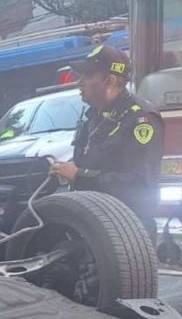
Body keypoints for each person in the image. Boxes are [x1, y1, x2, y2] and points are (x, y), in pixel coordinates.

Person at [51, 45, 164, 240]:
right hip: (94, 222)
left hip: (128, 229)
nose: (80, 82)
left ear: (110, 81)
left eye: (88, 76)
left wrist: (80, 176)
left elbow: (139, 183)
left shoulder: (141, 119)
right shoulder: (96, 115)